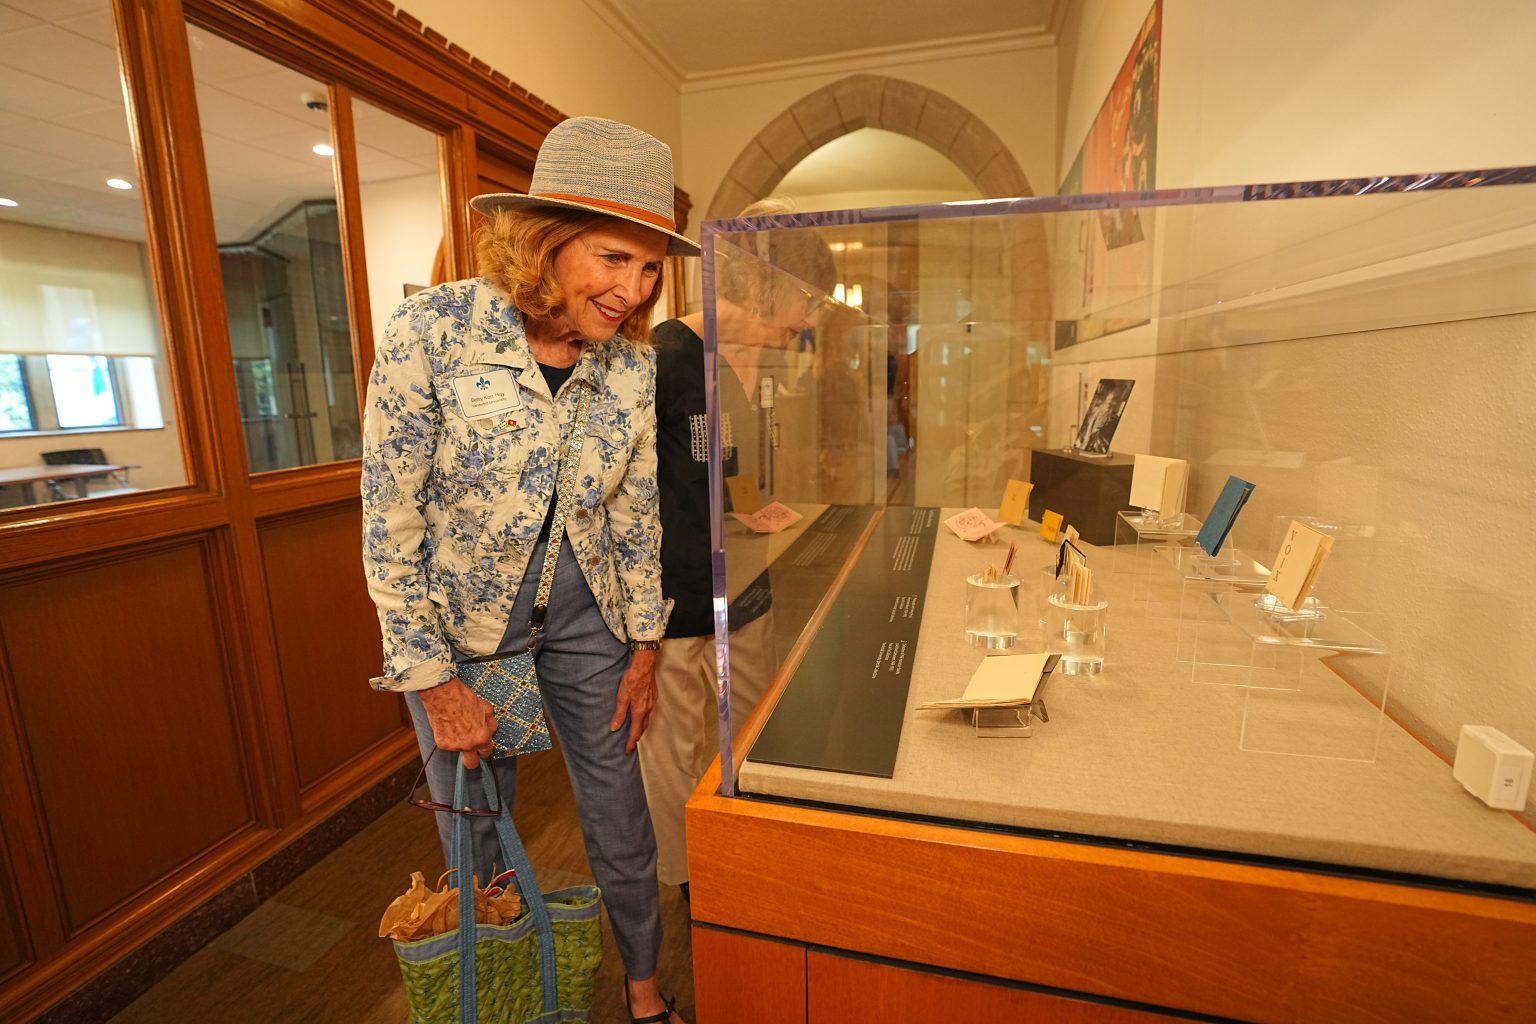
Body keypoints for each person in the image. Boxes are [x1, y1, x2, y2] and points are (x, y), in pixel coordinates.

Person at [362, 116, 694, 1024]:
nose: (634, 290)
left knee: (620, 811)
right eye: (615, 258)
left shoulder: (630, 369)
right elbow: (390, 521)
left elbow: (635, 517)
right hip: (465, 631)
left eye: (651, 267)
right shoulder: (433, 331)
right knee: (476, 824)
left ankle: (642, 987)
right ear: (544, 241)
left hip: (590, 620)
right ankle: (505, 997)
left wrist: (644, 647)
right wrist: (434, 683)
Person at [641, 199, 836, 896]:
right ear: (758, 279)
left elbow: (739, 475)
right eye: (806, 298)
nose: (809, 320)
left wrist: (760, 512)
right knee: (675, 744)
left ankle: (754, 856)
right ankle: (691, 879)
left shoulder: (764, 364)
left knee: (759, 720)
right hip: (674, 593)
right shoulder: (666, 357)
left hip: (750, 577)